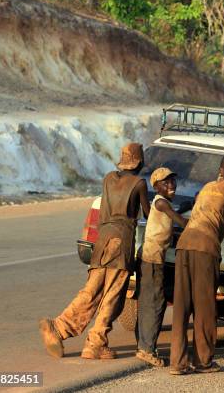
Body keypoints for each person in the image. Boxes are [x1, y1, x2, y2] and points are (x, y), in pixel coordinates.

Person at [39, 143, 150, 360]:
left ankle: (58, 328)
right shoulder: (139, 184)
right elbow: (147, 212)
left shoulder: (108, 178)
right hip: (121, 243)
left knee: (91, 291)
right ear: (140, 162)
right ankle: (95, 343)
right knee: (112, 295)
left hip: (103, 241)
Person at [169, 154, 224, 375]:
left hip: (184, 244)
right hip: (205, 248)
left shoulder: (207, 186)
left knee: (182, 305)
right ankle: (203, 361)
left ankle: (177, 362)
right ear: (222, 171)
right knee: (205, 307)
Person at [135, 167, 188, 367]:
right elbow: (181, 222)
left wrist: (184, 206)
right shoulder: (161, 202)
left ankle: (143, 345)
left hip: (147, 257)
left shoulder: (160, 202)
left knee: (147, 301)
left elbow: (168, 216)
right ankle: (147, 350)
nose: (171, 185)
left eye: (173, 181)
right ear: (157, 187)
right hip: (153, 259)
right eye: (166, 183)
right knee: (156, 304)